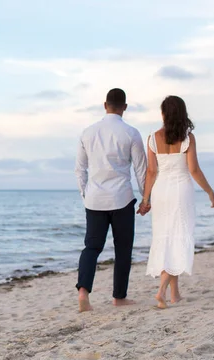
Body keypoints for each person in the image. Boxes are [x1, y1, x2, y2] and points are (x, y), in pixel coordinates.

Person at [75, 88, 149, 312]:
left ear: (104, 105)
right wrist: (146, 198)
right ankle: (119, 297)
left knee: (91, 247)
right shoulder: (131, 133)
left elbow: (80, 169)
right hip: (122, 198)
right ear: (124, 107)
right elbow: (141, 169)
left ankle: (83, 292)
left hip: (95, 200)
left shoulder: (88, 132)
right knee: (123, 249)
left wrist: (85, 195)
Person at [141, 95, 214, 309]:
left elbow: (151, 171)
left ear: (164, 113)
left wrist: (146, 199)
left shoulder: (152, 138)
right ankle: (161, 291)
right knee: (178, 238)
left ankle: (175, 294)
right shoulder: (188, 138)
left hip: (161, 192)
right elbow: (193, 169)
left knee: (166, 237)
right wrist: (210, 192)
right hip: (181, 190)